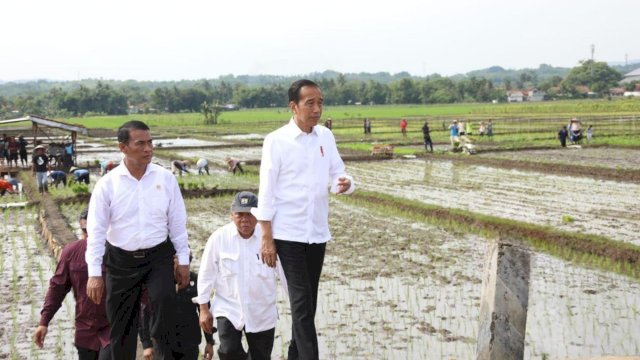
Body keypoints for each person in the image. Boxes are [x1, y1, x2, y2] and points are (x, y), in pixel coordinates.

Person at [255, 79, 355, 360]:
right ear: (293, 106)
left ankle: (294, 356)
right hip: (288, 234)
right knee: (300, 304)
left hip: (317, 232)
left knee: (307, 306)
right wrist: (266, 237)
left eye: (320, 102)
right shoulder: (276, 141)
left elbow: (338, 172)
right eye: (309, 103)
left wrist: (344, 183)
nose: (316, 108)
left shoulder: (325, 137)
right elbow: (267, 191)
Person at [85, 120, 191, 360]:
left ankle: (159, 346)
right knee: (121, 326)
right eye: (140, 143)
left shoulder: (165, 179)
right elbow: (97, 232)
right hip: (121, 260)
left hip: (158, 256)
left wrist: (183, 260)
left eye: (150, 142)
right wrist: (94, 274)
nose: (148, 149)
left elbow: (177, 223)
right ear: (123, 147)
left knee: (164, 301)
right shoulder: (107, 185)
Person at [197, 191, 287, 360]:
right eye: (240, 215)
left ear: (258, 215)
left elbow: (285, 274)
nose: (245, 220)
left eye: (250, 214)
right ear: (232, 215)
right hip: (228, 308)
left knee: (260, 356)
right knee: (228, 351)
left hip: (262, 311)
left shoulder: (269, 239)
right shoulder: (219, 238)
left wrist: (297, 307)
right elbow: (206, 274)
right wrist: (203, 309)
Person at [33, 209, 112, 360]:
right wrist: (44, 322)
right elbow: (57, 288)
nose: (89, 235)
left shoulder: (118, 253)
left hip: (113, 329)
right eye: (84, 230)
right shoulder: (72, 252)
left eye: (93, 230)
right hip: (85, 331)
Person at [141, 255, 215, 360]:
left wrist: (209, 342)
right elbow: (144, 312)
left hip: (189, 341)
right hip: (163, 342)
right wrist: (146, 344)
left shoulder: (196, 281)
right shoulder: (157, 282)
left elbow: (204, 313)